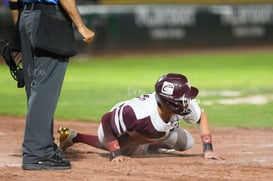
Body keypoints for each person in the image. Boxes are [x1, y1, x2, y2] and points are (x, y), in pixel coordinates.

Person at [8, 0, 95, 170]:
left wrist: (20, 28)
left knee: (35, 88)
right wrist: (81, 26)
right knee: (44, 90)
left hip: (26, 18)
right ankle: (37, 153)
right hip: (49, 18)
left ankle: (44, 146)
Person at [58, 73, 222, 162]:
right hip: (118, 129)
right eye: (182, 98)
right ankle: (73, 136)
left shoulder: (178, 105)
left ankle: (146, 144)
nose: (188, 101)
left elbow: (202, 117)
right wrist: (116, 154)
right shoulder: (137, 113)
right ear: (169, 102)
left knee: (187, 143)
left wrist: (208, 150)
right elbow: (107, 120)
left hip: (154, 130)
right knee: (126, 150)